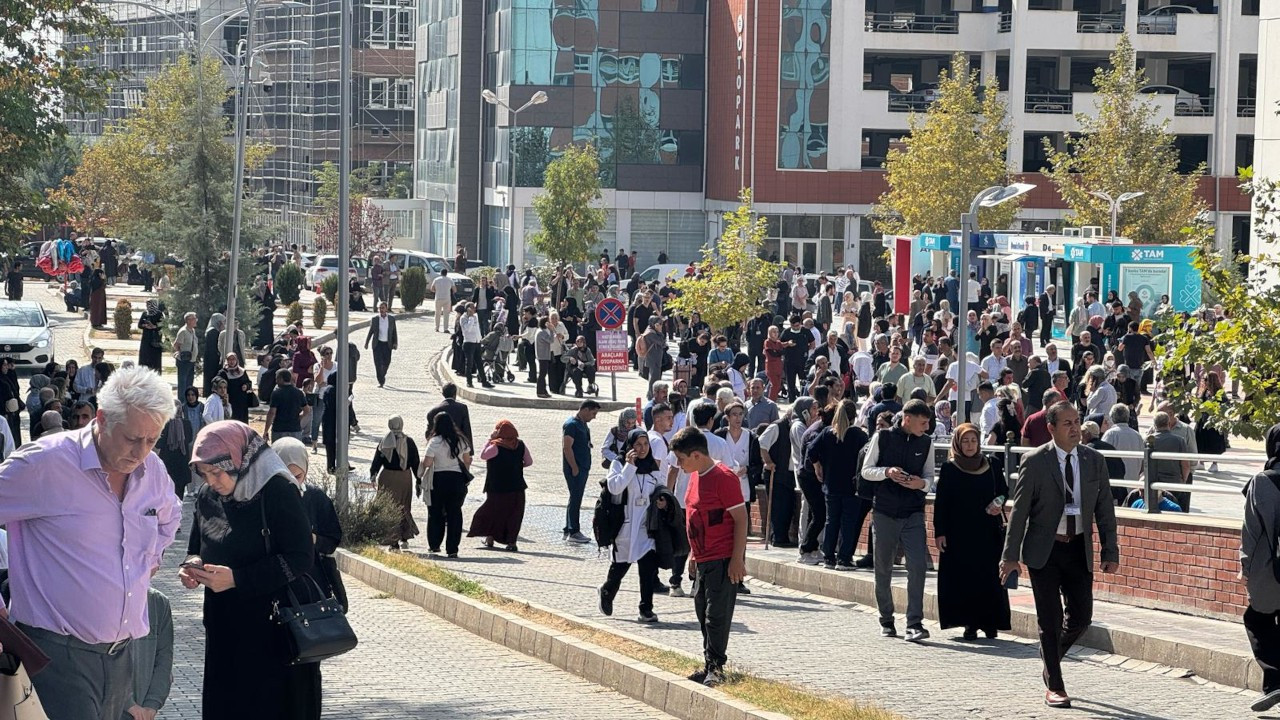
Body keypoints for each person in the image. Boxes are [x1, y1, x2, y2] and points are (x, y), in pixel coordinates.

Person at [0, 366, 181, 719]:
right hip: (54, 657)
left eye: (152, 440)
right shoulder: (44, 463)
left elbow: (169, 518)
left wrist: (150, 557)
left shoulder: (153, 470)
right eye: (131, 438)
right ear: (101, 419)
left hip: (123, 658)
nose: (140, 451)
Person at [180, 420, 320, 720]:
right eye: (205, 473)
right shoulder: (208, 496)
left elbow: (300, 557)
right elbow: (197, 545)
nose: (212, 480)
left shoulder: (277, 490)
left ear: (240, 459)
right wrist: (192, 566)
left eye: (217, 471)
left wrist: (238, 579)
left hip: (272, 627)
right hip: (224, 626)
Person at [1000, 402, 1120, 709]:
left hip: (1079, 547)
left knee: (1082, 616)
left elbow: (1105, 509)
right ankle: (1055, 684)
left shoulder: (1094, 460)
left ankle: (1049, 655)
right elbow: (1020, 512)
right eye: (1067, 423)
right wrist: (1010, 556)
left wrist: (1110, 550)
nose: (1075, 428)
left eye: (1077, 421)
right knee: (1050, 619)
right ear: (1051, 429)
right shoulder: (1035, 461)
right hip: (1045, 549)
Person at [671, 426, 747, 689]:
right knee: (702, 612)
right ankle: (708, 665)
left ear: (696, 455)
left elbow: (741, 519)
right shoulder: (694, 476)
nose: (678, 465)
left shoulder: (724, 478)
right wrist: (693, 553)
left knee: (717, 615)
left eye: (681, 459)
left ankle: (716, 667)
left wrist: (737, 559)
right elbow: (695, 517)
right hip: (702, 559)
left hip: (723, 558)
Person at [861, 399, 935, 642]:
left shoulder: (926, 443)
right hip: (884, 511)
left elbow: (929, 477)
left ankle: (915, 622)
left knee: (918, 566)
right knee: (883, 567)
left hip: (913, 511)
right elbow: (866, 470)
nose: (926, 427)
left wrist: (920, 484)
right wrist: (887, 472)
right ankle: (886, 618)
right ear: (907, 419)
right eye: (923, 422)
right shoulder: (882, 437)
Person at [933, 423, 1012, 640]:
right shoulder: (950, 468)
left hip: (987, 531)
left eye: (973, 440)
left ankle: (990, 622)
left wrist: (998, 502)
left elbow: (1004, 491)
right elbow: (942, 503)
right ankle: (970, 623)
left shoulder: (991, 464)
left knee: (988, 578)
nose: (970, 445)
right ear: (958, 443)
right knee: (964, 578)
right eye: (965, 441)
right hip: (959, 534)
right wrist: (940, 532)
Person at [599, 429, 665, 623]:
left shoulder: (653, 465)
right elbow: (615, 487)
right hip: (625, 524)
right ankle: (607, 591)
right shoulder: (618, 464)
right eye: (638, 445)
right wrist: (629, 466)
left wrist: (663, 500)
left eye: (645, 444)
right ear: (630, 446)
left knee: (648, 568)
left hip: (646, 525)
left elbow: (661, 487)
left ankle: (646, 609)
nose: (642, 449)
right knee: (621, 565)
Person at [274, 437, 348, 611]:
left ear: (306, 471)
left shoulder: (316, 498)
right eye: (285, 476)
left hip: (312, 588)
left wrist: (313, 539)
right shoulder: (263, 498)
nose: (292, 482)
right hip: (275, 586)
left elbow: (332, 540)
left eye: (298, 476)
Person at [1242, 423, 1280, 714]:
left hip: (1271, 571)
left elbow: (1252, 535)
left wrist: (1247, 570)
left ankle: (1275, 679)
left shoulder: (1262, 481)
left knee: (1257, 619)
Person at [811, 400, 870, 570]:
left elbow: (811, 451)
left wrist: (817, 466)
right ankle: (844, 558)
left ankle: (828, 557)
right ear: (854, 416)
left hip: (831, 484)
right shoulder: (859, 435)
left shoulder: (827, 433)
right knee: (848, 522)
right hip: (852, 486)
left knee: (832, 521)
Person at [468, 420, 531, 552]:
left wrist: (490, 439)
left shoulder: (496, 446)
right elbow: (529, 462)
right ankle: (511, 542)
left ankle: (490, 538)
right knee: (514, 514)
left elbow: (483, 455)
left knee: (493, 512)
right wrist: (516, 466)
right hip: (517, 486)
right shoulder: (520, 445)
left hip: (497, 486)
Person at [421, 412, 472, 557]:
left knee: (435, 513)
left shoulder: (435, 441)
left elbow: (427, 463)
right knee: (455, 514)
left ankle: (435, 545)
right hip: (457, 480)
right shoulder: (462, 440)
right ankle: (452, 549)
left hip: (438, 479)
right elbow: (467, 461)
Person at [371, 416, 421, 551]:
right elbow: (415, 461)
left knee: (389, 508)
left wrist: (373, 474)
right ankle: (404, 537)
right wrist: (419, 479)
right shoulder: (409, 442)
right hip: (404, 478)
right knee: (404, 507)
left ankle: (393, 543)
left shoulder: (385, 441)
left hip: (387, 477)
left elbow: (377, 460)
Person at [124, 588, 174, 720]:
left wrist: (151, 705)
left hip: (144, 712)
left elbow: (164, 660)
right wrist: (127, 703)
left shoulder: (158, 602)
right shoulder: (101, 599)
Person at [561, 400, 600, 543]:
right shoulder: (571, 425)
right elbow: (567, 447)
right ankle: (574, 531)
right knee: (576, 498)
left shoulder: (583, 425)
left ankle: (568, 528)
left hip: (583, 467)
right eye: (593, 413)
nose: (594, 417)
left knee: (575, 497)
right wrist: (574, 467)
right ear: (585, 410)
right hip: (575, 469)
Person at [159, 389, 204, 498]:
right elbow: (188, 440)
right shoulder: (187, 424)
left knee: (166, 493)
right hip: (182, 462)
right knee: (179, 495)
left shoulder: (164, 424)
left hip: (167, 462)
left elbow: (159, 444)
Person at [264, 368, 307, 443]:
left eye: (277, 378)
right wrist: (300, 417)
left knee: (278, 452)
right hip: (295, 429)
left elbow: (272, 413)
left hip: (279, 429)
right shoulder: (299, 393)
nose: (276, 381)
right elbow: (307, 409)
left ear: (281, 378)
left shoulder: (276, 393)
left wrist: (266, 430)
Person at [426, 382, 473, 449]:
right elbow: (466, 429)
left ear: (443, 394)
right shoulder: (462, 408)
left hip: (439, 448)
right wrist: (470, 451)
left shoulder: (433, 411)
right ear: (455, 394)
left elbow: (429, 433)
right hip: (458, 447)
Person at [364, 301, 399, 388]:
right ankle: (381, 381)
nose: (381, 310)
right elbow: (371, 331)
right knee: (378, 363)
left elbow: (394, 332)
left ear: (386, 309)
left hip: (387, 345)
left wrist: (395, 343)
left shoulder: (391, 319)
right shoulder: (375, 319)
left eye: (383, 308)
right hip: (378, 344)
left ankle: (382, 374)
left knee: (386, 362)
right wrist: (367, 342)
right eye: (380, 308)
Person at [217, 352, 254, 423]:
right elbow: (217, 383)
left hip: (241, 402)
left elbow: (249, 382)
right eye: (229, 359)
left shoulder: (242, 371)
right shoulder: (223, 372)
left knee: (242, 421)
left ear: (236, 360)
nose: (232, 361)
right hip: (230, 400)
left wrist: (246, 386)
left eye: (233, 359)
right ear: (227, 361)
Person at [136, 299, 164, 371]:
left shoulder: (159, 314)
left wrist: (154, 326)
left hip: (155, 339)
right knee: (144, 357)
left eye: (149, 305)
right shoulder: (145, 313)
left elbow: (162, 325)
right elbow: (139, 325)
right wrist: (145, 325)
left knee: (155, 358)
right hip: (146, 339)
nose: (147, 306)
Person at [202, 313, 225, 396]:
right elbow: (214, 347)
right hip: (212, 360)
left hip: (212, 359)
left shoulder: (213, 331)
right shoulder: (212, 332)